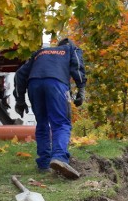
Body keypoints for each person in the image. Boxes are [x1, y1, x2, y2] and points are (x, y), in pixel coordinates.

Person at [14, 37, 86, 179]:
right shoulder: (71, 49)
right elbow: (77, 66)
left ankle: (44, 163)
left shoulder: (40, 53)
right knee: (61, 123)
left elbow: (20, 74)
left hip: (34, 84)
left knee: (42, 124)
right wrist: (81, 89)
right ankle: (59, 157)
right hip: (56, 84)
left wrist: (20, 99)